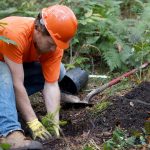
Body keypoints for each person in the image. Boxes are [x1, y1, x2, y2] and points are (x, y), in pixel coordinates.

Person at [0, 4, 78, 149]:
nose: (54, 49)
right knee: (3, 71)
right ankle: (9, 133)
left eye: (58, 45)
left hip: (9, 78)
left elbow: (51, 84)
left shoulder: (55, 44)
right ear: (38, 29)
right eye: (51, 44)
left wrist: (53, 120)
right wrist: (32, 121)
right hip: (3, 73)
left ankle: (7, 104)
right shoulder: (15, 34)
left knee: (59, 71)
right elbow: (17, 84)